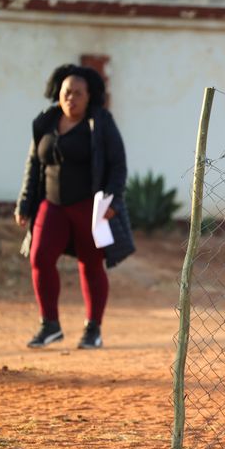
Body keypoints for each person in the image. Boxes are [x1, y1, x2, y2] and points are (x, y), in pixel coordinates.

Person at [15, 64, 135, 348]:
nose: (71, 98)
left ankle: (93, 329)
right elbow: (33, 165)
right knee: (39, 258)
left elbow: (118, 165)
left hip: (89, 207)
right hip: (52, 205)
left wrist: (112, 202)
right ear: (58, 94)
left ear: (89, 96)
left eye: (78, 94)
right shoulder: (45, 122)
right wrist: (24, 203)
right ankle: (50, 325)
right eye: (67, 92)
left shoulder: (101, 122)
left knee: (91, 265)